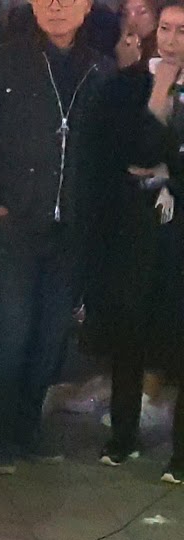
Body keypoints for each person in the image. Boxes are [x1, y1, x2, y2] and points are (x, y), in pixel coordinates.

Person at [0, 0, 113, 473]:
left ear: (88, 7)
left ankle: (27, 429)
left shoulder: (99, 71)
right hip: (16, 223)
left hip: (69, 227)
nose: (57, 6)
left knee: (50, 335)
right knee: (11, 329)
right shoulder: (0, 63)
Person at [87, 0, 183, 482]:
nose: (170, 40)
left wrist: (167, 169)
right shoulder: (127, 85)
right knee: (128, 332)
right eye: (164, 28)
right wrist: (158, 98)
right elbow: (127, 155)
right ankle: (122, 435)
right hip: (133, 228)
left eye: (181, 31)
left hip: (177, 232)